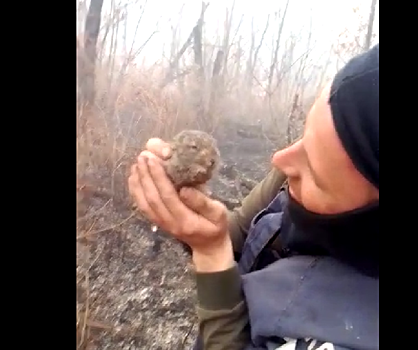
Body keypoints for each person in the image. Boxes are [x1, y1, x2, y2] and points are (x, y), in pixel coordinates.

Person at [128, 44, 379, 350]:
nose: (280, 161)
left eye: (314, 167)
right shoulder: (289, 181)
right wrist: (185, 213)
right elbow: (240, 235)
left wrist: (211, 259)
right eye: (303, 136)